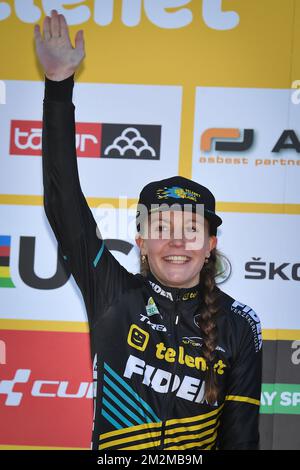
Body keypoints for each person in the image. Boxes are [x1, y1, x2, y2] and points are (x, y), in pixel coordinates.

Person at [34, 10, 262, 451]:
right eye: (162, 226)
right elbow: (64, 208)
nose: (177, 241)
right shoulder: (113, 295)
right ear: (141, 241)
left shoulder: (239, 325)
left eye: (191, 229)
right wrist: (58, 85)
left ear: (211, 244)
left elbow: (240, 440)